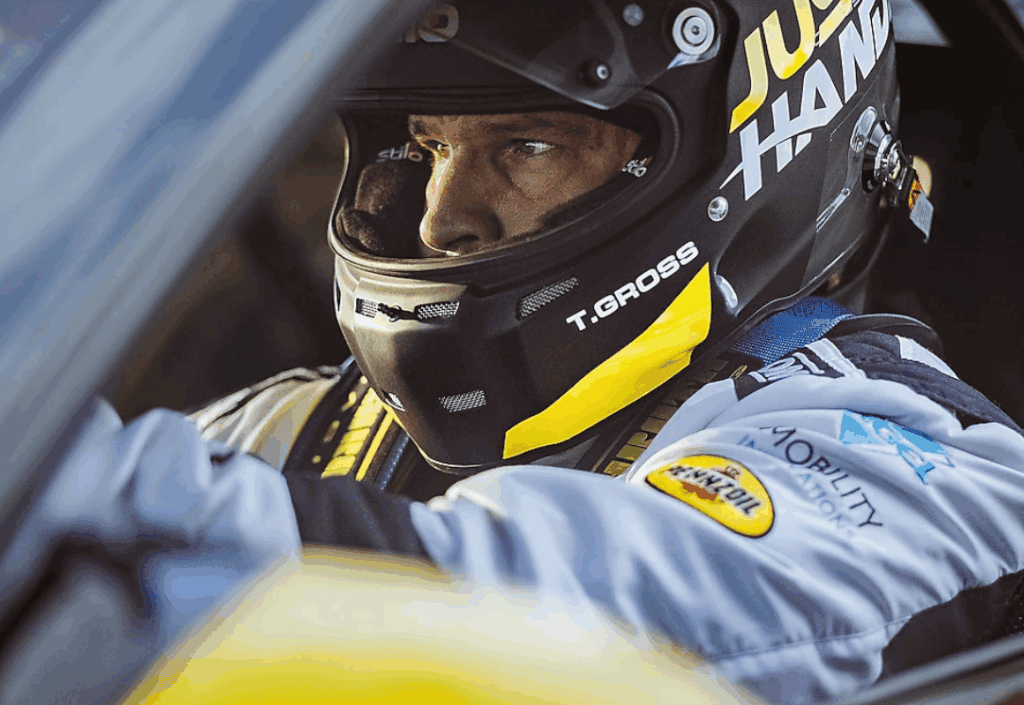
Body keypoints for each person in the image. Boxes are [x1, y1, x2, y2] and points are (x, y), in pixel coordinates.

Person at [9, 1, 1024, 703]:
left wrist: (75, 490)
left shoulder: (921, 467)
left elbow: (555, 626)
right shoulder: (306, 428)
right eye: (432, 146)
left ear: (753, 150)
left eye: (526, 148)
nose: (442, 221)